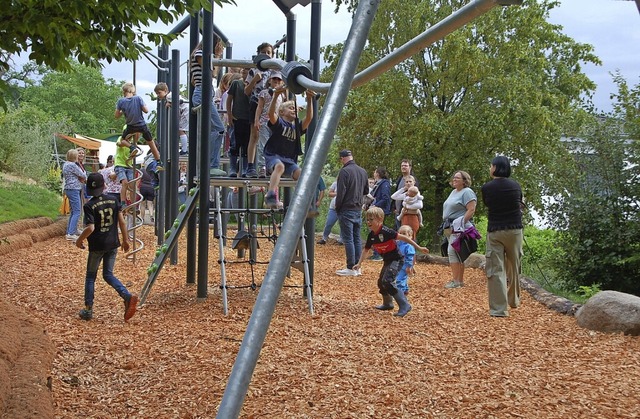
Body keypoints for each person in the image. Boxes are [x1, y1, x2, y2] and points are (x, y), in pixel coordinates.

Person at [75, 173, 138, 322]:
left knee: (91, 277)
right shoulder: (113, 199)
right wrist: (125, 239)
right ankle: (126, 295)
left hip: (97, 246)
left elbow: (90, 228)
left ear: (89, 189)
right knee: (108, 274)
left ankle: (88, 310)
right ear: (104, 186)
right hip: (112, 243)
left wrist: (79, 240)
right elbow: (122, 222)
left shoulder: (89, 205)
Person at [353, 207, 429, 317]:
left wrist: (419, 247)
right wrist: (359, 263)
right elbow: (365, 250)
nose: (368, 222)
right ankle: (388, 303)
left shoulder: (386, 231)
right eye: (367, 220)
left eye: (371, 219)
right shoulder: (372, 236)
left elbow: (404, 238)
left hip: (397, 259)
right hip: (387, 260)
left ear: (379, 219)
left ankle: (404, 305)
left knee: (387, 281)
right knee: (381, 282)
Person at [481, 156, 524, 317]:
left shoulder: (487, 187)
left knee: (496, 269)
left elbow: (488, 204)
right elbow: (519, 202)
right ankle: (514, 300)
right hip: (515, 230)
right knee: (514, 265)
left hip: (495, 230)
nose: (490, 168)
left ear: (496, 168)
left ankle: (499, 309)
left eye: (491, 166)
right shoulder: (516, 185)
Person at [263, 87, 314, 208]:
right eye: (291, 108)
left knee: (302, 174)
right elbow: (270, 114)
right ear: (281, 112)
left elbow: (309, 118)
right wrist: (275, 96)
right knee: (279, 166)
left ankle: (303, 201)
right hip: (274, 156)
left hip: (289, 160)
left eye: (295, 109)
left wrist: (310, 100)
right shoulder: (279, 123)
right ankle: (270, 194)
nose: (294, 110)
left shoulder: (297, 127)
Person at [190, 40, 227, 176]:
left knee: (214, 130)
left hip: (205, 93)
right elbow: (211, 72)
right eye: (219, 46)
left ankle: (211, 164)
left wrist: (216, 57)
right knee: (219, 128)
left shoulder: (201, 55)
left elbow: (211, 74)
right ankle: (211, 164)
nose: (220, 48)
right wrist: (216, 56)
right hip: (202, 94)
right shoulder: (199, 53)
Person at [115, 82, 163, 171]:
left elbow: (116, 116)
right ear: (133, 91)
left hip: (130, 126)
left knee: (122, 140)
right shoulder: (138, 98)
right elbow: (146, 110)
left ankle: (132, 147)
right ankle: (159, 161)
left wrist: (122, 111)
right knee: (151, 142)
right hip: (141, 125)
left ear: (124, 91)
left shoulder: (121, 101)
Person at [334, 150, 369, 276]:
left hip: (346, 208)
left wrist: (338, 207)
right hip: (358, 208)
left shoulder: (345, 171)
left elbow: (341, 192)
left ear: (342, 158)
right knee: (357, 238)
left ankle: (350, 267)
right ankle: (357, 267)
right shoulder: (363, 171)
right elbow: (366, 190)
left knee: (348, 239)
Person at [442, 170, 477, 289]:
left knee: (452, 251)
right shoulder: (453, 192)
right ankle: (459, 281)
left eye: (458, 178)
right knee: (457, 252)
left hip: (458, 226)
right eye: (454, 177)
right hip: (448, 226)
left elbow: (471, 209)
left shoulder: (467, 192)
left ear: (464, 181)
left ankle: (455, 281)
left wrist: (461, 223)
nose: (454, 179)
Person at [246, 42, 274, 177]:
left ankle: (268, 164)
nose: (267, 55)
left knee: (269, 136)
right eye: (264, 52)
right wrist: (254, 80)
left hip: (271, 105)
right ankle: (251, 166)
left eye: (269, 52)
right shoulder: (254, 71)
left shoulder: (275, 71)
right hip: (256, 102)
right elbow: (247, 91)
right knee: (254, 135)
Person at [254, 71, 285, 178]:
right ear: (269, 81)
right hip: (264, 122)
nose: (276, 81)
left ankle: (271, 167)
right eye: (274, 80)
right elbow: (259, 107)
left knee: (275, 146)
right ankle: (262, 167)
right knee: (263, 144)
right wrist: (256, 120)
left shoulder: (282, 95)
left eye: (278, 80)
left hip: (276, 123)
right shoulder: (264, 92)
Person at [226, 67, 253, 178]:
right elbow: (229, 99)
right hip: (237, 118)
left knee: (247, 144)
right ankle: (232, 168)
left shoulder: (254, 85)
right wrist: (229, 114)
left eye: (247, 70)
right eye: (244, 70)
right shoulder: (236, 84)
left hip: (248, 118)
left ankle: (245, 169)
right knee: (234, 144)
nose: (244, 71)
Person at [154, 82, 189, 155]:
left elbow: (178, 102)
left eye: (159, 93)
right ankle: (184, 148)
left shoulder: (169, 96)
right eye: (157, 93)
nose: (158, 95)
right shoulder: (169, 96)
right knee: (182, 131)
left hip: (185, 112)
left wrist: (170, 104)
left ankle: (184, 150)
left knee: (181, 130)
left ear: (165, 91)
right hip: (184, 111)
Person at [366, 166, 391, 261]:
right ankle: (377, 252)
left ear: (378, 173)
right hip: (376, 210)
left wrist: (375, 205)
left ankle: (379, 254)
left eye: (375, 172)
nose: (374, 173)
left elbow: (385, 198)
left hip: (381, 211)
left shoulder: (384, 184)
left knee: (378, 231)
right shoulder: (378, 184)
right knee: (375, 231)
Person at [62, 149, 87, 241]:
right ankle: (71, 233)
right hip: (74, 189)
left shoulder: (65, 164)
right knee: (77, 211)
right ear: (74, 156)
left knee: (73, 211)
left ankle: (72, 230)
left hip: (69, 188)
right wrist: (83, 174)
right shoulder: (72, 165)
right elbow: (83, 175)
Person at [393, 159, 418, 230]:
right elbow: (396, 194)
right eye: (402, 166)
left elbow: (415, 196)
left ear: (410, 167)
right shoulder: (400, 179)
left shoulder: (413, 180)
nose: (403, 167)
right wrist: (394, 207)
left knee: (409, 234)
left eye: (405, 166)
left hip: (408, 213)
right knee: (400, 233)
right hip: (398, 212)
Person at [317, 180, 343, 245]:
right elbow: (329, 193)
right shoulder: (335, 183)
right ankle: (324, 238)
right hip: (333, 208)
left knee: (343, 225)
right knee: (329, 223)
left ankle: (341, 240)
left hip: (343, 209)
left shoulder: (349, 184)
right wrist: (338, 193)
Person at [395, 225, 416, 296]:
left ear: (410, 236)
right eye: (400, 233)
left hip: (404, 266)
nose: (402, 235)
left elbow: (410, 257)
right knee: (402, 278)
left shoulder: (409, 246)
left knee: (399, 280)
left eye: (404, 233)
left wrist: (409, 267)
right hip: (398, 265)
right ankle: (406, 290)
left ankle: (400, 295)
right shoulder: (398, 244)